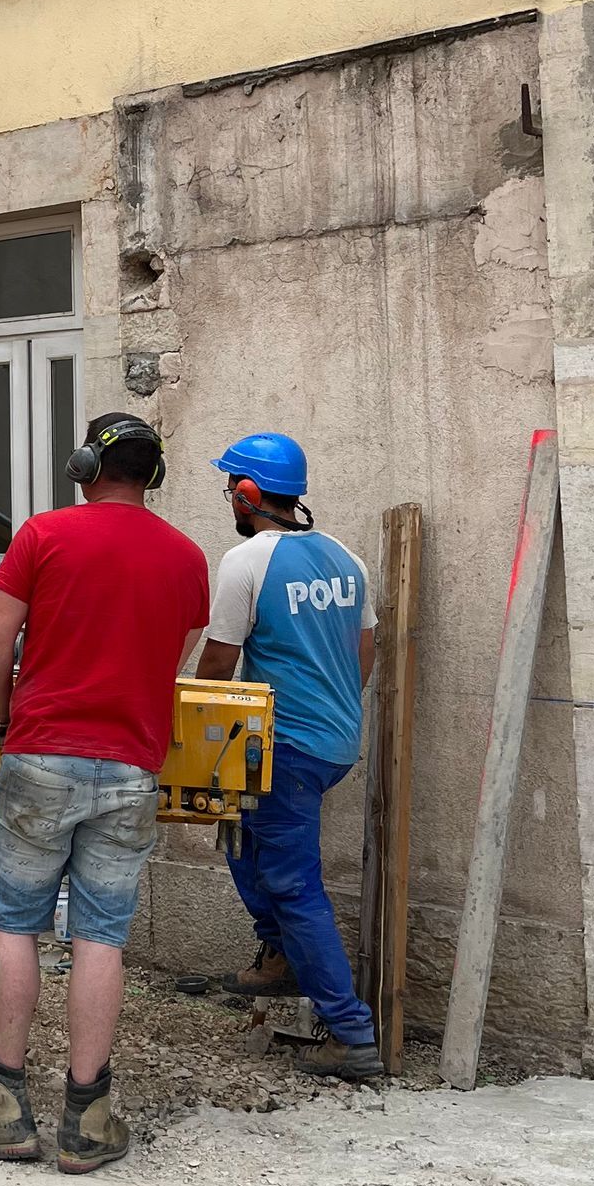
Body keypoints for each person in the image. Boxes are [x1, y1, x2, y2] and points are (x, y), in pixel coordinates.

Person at [0, 411, 211, 1174]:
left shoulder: (44, 535)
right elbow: (177, 652)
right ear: (152, 475)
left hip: (42, 756)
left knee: (15, 926)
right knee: (101, 936)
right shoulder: (188, 557)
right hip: (130, 768)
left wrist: (2, 710)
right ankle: (87, 1119)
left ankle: (3, 1108)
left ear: (84, 465)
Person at [195, 432, 383, 1083]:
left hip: (286, 747)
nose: (228, 499)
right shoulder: (346, 558)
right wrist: (336, 708)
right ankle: (276, 959)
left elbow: (218, 661)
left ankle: (350, 1031)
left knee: (293, 882)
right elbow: (366, 648)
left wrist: (185, 733)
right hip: (333, 741)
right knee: (247, 840)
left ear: (248, 494)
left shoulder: (247, 561)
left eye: (230, 488)